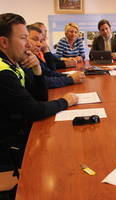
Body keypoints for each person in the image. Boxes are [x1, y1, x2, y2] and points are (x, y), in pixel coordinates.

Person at [0, 13, 78, 166]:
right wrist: (65, 101)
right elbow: (35, 110)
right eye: (23, 38)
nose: (28, 44)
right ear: (4, 42)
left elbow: (41, 97)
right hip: (9, 148)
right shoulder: (3, 73)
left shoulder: (12, 64)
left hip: (19, 133)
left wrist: (37, 69)